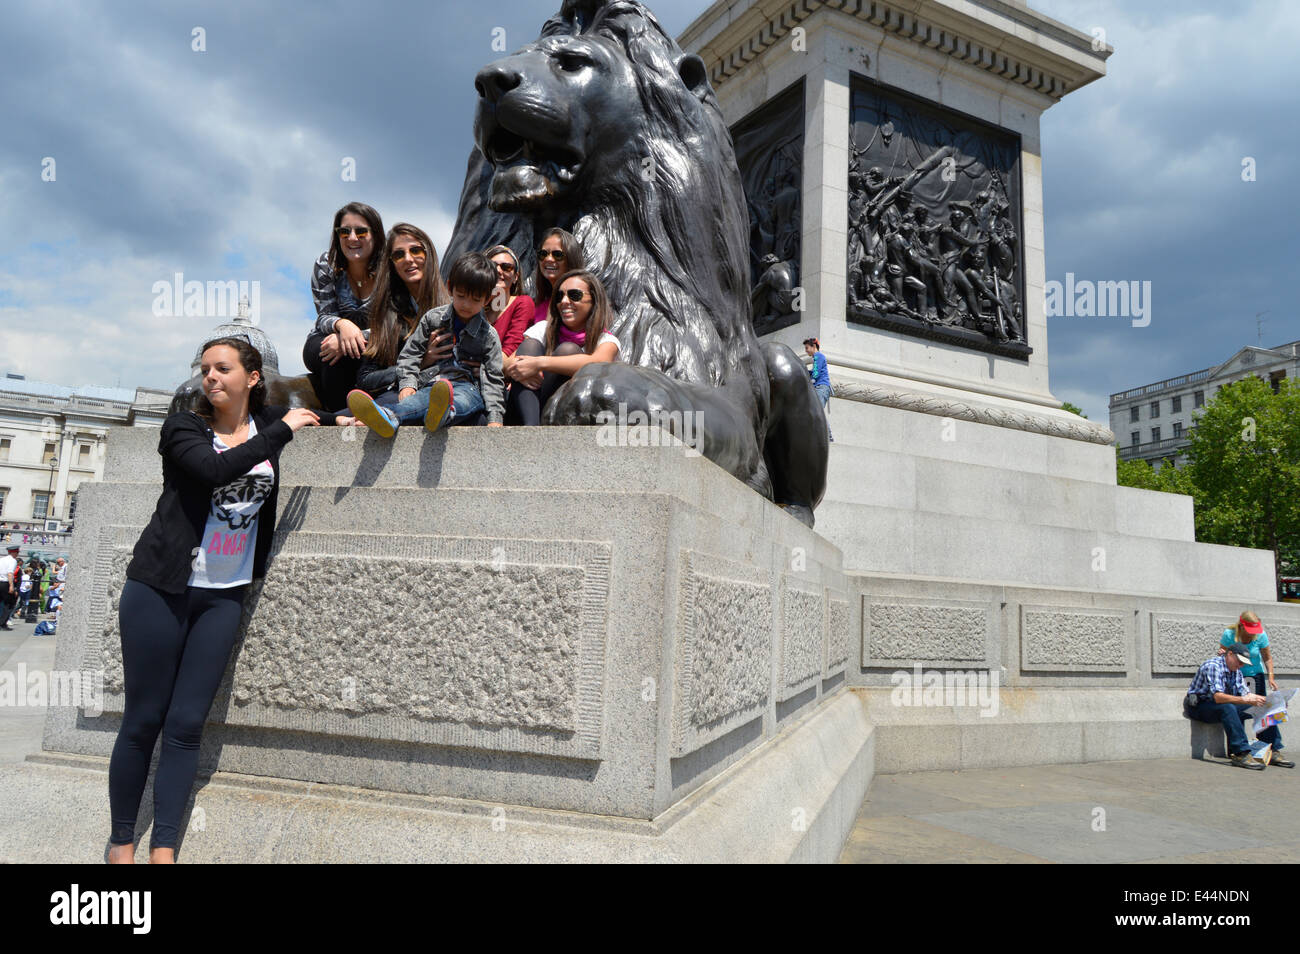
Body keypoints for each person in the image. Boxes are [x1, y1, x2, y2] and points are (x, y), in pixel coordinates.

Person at [106, 337, 359, 864]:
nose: (211, 379)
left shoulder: (268, 420)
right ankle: (122, 844)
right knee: (142, 721)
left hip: (223, 596)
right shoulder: (183, 428)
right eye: (206, 370)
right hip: (160, 589)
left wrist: (336, 421)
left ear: (253, 376)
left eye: (223, 369)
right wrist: (283, 430)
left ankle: (165, 851)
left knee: (185, 727)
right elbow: (217, 471)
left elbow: (313, 411)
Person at [347, 252, 505, 435]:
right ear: (450, 288)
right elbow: (410, 354)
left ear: (487, 300)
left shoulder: (489, 336)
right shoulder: (432, 319)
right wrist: (408, 384)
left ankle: (446, 413)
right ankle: (389, 416)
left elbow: (494, 379)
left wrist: (495, 418)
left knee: (464, 399)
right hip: (432, 382)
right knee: (418, 400)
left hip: (468, 386)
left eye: (476, 300)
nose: (466, 304)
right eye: (461, 296)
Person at [353, 224, 453, 407]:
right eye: (398, 255)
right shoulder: (385, 313)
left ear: (429, 254)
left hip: (443, 392)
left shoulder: (452, 308)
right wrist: (419, 363)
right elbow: (366, 379)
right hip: (395, 394)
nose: (408, 259)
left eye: (415, 250)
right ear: (392, 263)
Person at [506, 270, 621, 426]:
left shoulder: (606, 340)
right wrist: (523, 368)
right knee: (529, 345)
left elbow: (597, 362)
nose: (564, 301)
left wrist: (539, 363)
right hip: (523, 410)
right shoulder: (542, 328)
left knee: (567, 350)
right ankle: (530, 428)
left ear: (593, 301)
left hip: (570, 416)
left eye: (574, 295)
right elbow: (509, 363)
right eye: (559, 297)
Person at [301, 203, 386, 411]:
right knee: (332, 352)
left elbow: (394, 323)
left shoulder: (389, 269)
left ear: (375, 234)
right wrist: (343, 325)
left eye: (361, 231)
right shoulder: (325, 263)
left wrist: (356, 336)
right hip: (328, 335)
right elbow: (324, 316)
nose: (352, 238)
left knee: (347, 350)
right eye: (344, 231)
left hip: (378, 340)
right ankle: (340, 421)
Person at [1185, 641, 1291, 769]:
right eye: (1239, 661)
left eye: (1243, 663)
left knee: (1264, 706)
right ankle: (1240, 753)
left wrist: (1274, 701)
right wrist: (1245, 700)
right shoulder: (1213, 666)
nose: (1241, 665)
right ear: (1229, 654)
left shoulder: (1236, 670)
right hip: (1200, 705)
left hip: (1222, 705)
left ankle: (1272, 749)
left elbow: (1247, 695)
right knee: (1228, 707)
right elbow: (1218, 697)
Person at [484, 245, 534, 375]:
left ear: (515, 277)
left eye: (506, 267)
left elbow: (511, 349)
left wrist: (481, 367)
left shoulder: (523, 302)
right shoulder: (475, 308)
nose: (498, 270)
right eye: (492, 265)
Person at [528, 228, 585, 327]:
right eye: (543, 254)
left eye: (557, 255)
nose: (548, 259)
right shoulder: (539, 307)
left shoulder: (582, 300)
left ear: (571, 259)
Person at [1220, 611, 1277, 697]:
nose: (1254, 633)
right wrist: (1223, 654)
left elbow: (1267, 658)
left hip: (1255, 675)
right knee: (1237, 705)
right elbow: (1223, 656)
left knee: (1256, 707)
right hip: (1234, 676)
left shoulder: (1261, 635)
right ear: (1241, 626)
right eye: (1251, 631)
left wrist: (1271, 677)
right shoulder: (1229, 634)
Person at [803, 337, 833, 442]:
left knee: (818, 411)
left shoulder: (818, 356)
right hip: (820, 388)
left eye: (807, 348)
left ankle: (828, 436)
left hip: (821, 388)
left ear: (814, 346)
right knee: (816, 411)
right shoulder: (818, 357)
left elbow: (816, 372)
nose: (805, 351)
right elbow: (815, 371)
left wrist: (811, 380)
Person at [0, 543, 18, 630]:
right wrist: (11, 586)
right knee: (9, 604)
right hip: (6, 583)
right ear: (14, 552)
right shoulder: (13, 561)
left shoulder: (2, 559)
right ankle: (2, 624)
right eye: (17, 552)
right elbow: (10, 573)